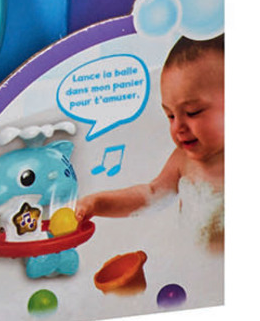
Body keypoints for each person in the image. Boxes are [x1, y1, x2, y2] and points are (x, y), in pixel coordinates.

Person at [77, 34, 224, 249]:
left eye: (193, 112)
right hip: (189, 263)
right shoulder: (183, 160)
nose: (178, 127)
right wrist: (97, 203)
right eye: (170, 116)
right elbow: (152, 195)